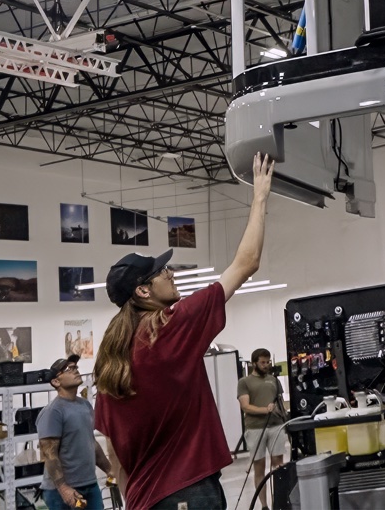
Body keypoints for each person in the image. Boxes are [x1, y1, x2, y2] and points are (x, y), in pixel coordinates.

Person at [95, 154, 274, 510]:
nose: (171, 273)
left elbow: (114, 451)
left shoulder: (110, 363)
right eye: (162, 272)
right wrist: (259, 196)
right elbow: (247, 262)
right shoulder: (173, 327)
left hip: (145, 499)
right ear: (142, 292)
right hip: (190, 492)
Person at [38, 354, 112, 510]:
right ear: (56, 382)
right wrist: (63, 488)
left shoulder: (85, 405)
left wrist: (109, 469)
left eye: (75, 367)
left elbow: (91, 442)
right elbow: (49, 454)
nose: (75, 371)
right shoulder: (53, 412)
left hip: (89, 484)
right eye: (69, 369)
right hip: (62, 491)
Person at [236, 349, 290, 510]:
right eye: (262, 362)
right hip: (255, 428)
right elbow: (245, 406)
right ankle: (264, 505)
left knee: (278, 465)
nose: (266, 365)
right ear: (254, 363)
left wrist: (284, 417)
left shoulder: (274, 380)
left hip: (276, 426)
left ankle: (278, 502)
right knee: (259, 466)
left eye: (268, 362)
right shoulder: (244, 382)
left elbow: (280, 402)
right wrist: (265, 410)